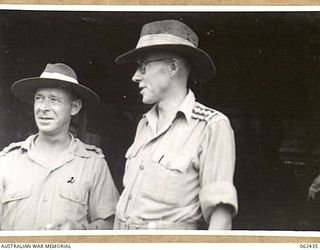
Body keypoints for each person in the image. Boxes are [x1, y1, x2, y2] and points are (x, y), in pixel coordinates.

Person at [114, 19, 238, 230]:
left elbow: (220, 216)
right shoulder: (144, 124)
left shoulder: (211, 125)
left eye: (143, 66)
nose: (135, 77)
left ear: (172, 67)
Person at [0, 63, 119, 230]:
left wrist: (79, 231)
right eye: (39, 98)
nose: (43, 108)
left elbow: (110, 223)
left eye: (54, 100)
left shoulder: (92, 164)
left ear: (75, 107)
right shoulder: (7, 161)